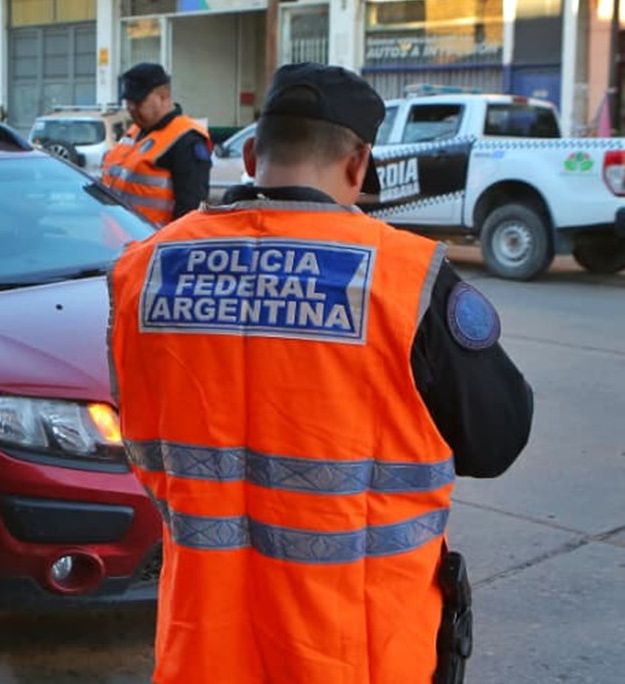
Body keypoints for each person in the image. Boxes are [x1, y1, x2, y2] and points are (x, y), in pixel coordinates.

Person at [107, 63, 534, 684]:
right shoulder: (401, 277)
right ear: (359, 165)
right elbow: (496, 439)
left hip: (201, 651)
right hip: (357, 655)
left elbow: (139, 434)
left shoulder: (142, 271)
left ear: (252, 154)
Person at [101, 63, 211, 227]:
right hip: (117, 244)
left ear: (163, 96)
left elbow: (190, 211)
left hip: (152, 247)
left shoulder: (186, 139)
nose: (131, 108)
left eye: (138, 101)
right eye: (128, 101)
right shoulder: (136, 131)